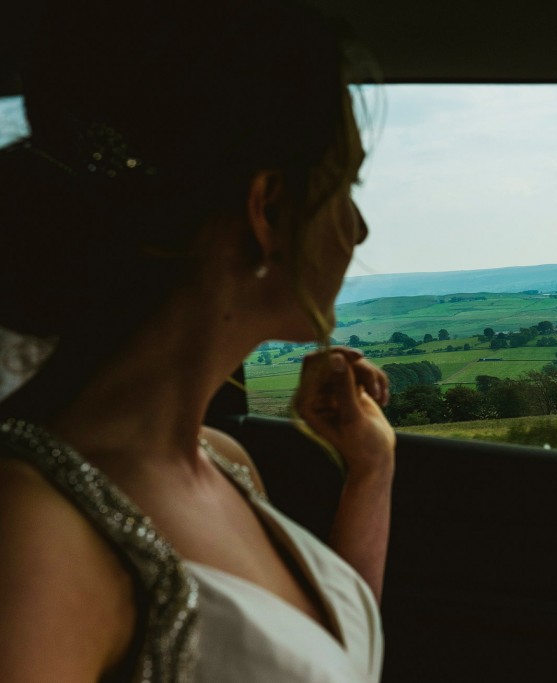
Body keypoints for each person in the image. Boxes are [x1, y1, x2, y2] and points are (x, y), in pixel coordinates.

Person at [0, 0, 394, 680]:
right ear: (267, 209)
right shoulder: (34, 531)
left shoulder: (225, 461)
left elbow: (311, 663)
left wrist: (370, 470)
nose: (358, 231)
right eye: (345, 187)